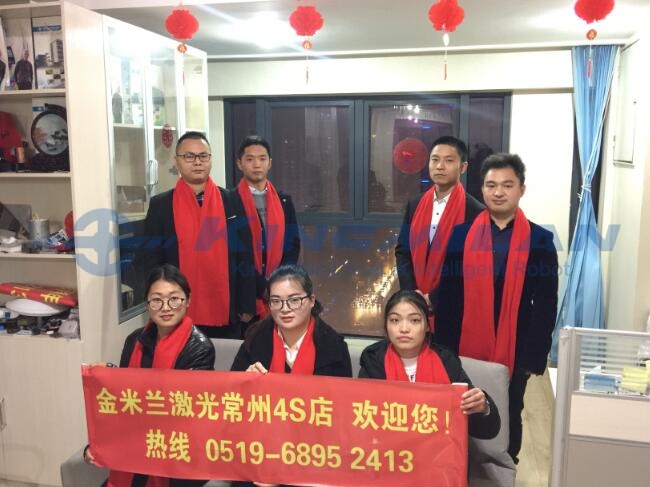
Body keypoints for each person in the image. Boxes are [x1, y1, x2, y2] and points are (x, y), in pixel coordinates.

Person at [435, 153, 558, 464]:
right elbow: (448, 297)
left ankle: (505, 467)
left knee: (510, 408)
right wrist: (444, 349)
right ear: (482, 189)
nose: (499, 192)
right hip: (462, 344)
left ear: (521, 189)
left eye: (507, 185)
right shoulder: (461, 235)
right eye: (491, 185)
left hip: (516, 347)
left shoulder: (540, 240)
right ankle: (461, 465)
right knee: (462, 405)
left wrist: (533, 357)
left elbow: (546, 304)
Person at [84, 264, 214, 486]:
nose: (166, 307)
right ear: (147, 304)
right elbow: (124, 404)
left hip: (178, 449)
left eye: (174, 299)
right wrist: (110, 378)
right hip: (135, 442)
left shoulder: (200, 347)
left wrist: (119, 378)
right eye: (156, 300)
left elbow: (178, 407)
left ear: (188, 300)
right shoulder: (134, 340)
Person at [230, 264, 352, 487]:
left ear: (311, 300)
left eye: (294, 300)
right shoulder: (254, 340)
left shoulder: (333, 347)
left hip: (315, 453)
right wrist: (245, 383)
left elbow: (342, 415)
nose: (285, 309)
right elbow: (231, 402)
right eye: (276, 301)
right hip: (259, 450)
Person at [143, 131, 255, 338]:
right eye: (189, 156)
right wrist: (158, 302)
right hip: (175, 309)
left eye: (203, 156)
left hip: (225, 306)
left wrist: (247, 304)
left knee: (225, 356)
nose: (197, 162)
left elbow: (245, 253)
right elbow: (151, 259)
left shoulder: (231, 199)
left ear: (210, 159)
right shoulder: (161, 205)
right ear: (177, 161)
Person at [359, 289, 500, 440]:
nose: (404, 329)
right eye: (395, 320)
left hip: (439, 450)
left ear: (427, 325)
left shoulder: (446, 361)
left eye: (414, 320)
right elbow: (361, 419)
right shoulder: (373, 361)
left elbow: (486, 431)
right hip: (388, 450)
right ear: (386, 325)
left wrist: (483, 407)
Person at [395, 135, 484, 327]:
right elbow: (402, 252)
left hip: (453, 308)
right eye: (435, 159)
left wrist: (433, 298)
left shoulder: (476, 212)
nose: (440, 166)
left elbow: (469, 267)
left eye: (449, 160)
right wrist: (412, 293)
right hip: (413, 305)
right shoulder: (415, 204)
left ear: (463, 167)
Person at [231, 135, 300, 331]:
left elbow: (292, 244)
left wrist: (278, 281)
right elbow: (231, 251)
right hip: (244, 290)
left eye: (262, 159)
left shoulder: (284, 200)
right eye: (250, 159)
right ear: (239, 163)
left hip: (279, 289)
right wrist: (261, 285)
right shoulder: (230, 200)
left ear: (270, 163)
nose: (256, 165)